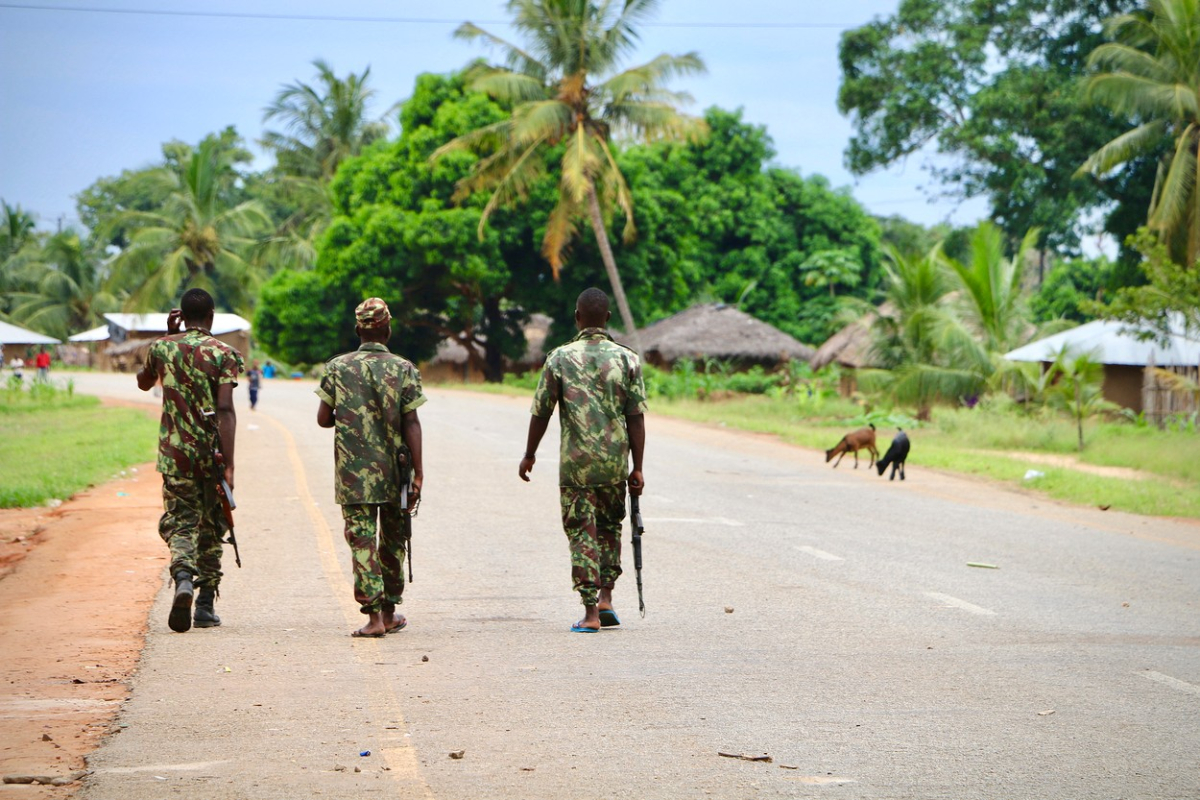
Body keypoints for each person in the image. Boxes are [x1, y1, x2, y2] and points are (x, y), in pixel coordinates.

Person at [519, 288, 647, 633]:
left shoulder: (559, 358)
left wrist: (529, 454)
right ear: (607, 318)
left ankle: (590, 614)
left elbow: (541, 412)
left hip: (576, 467)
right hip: (613, 465)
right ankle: (606, 599)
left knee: (581, 533)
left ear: (577, 317)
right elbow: (636, 417)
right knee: (609, 529)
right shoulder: (627, 359)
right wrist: (637, 467)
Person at [316, 298, 425, 638]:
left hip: (353, 474)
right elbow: (412, 422)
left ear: (357, 329)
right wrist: (419, 472)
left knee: (361, 541)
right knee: (393, 542)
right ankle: (391, 612)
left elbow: (322, 419)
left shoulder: (337, 367)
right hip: (396, 472)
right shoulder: (403, 368)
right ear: (388, 329)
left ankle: (374, 618)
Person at [136, 289, 243, 633]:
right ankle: (205, 606)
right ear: (211, 315)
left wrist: (166, 336)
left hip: (175, 455)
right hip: (211, 455)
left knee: (182, 521)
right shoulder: (224, 353)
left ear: (181, 314)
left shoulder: (162, 348)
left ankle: (183, 576)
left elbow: (143, 383)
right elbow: (225, 409)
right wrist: (228, 463)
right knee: (213, 524)